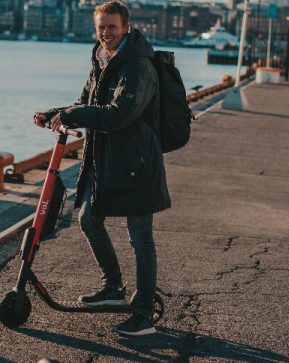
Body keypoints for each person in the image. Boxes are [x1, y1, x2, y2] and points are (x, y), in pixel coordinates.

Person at [34, 0, 171, 336]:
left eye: (112, 27)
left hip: (138, 162)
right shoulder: (100, 57)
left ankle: (143, 315)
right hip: (107, 159)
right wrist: (57, 112)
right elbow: (87, 103)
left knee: (141, 238)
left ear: (126, 27)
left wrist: (73, 116)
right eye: (101, 27)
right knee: (87, 218)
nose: (106, 33)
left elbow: (119, 114)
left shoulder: (137, 65)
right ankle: (113, 288)